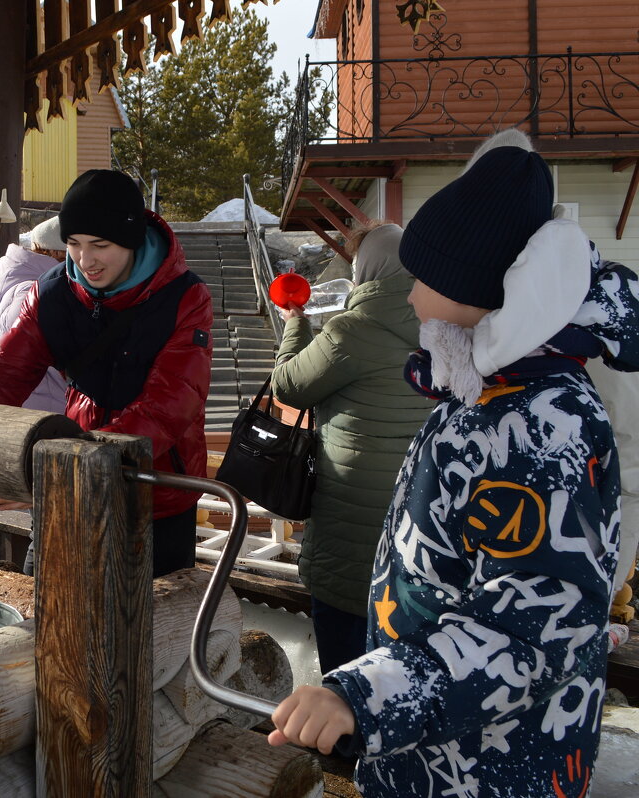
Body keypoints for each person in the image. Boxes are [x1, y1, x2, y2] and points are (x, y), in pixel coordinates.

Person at [268, 130, 639, 798]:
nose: (412, 298)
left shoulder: (538, 425)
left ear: (482, 293)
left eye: (428, 282)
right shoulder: (486, 389)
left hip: (491, 765)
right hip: (443, 745)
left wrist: (367, 695)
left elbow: (527, 628)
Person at [0, 169, 213, 578]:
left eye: (100, 245)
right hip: (72, 487)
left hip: (156, 493)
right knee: (44, 607)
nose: (85, 260)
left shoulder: (185, 298)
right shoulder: (53, 293)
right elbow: (1, 373)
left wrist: (66, 475)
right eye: (74, 244)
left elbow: (168, 407)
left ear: (132, 239)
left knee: (150, 629)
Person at [270, 222, 432, 674]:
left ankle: (344, 740)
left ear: (366, 270)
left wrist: (295, 325)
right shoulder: (445, 327)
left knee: (346, 669)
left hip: (350, 521)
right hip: (418, 520)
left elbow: (289, 386)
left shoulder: (352, 330)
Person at [0, 216, 67, 413]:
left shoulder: (29, 284)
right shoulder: (33, 292)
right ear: (57, 252)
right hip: (45, 413)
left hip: (36, 407)